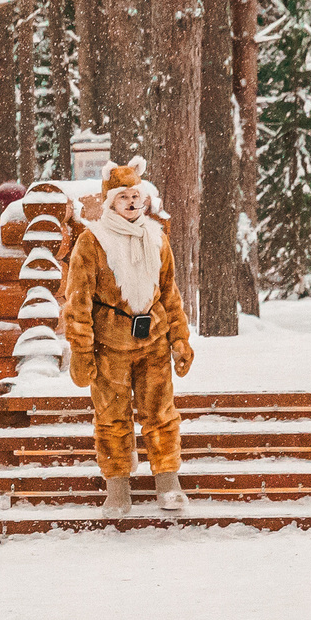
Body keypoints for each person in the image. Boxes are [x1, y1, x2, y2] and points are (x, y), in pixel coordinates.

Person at [62, 160, 194, 515]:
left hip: (153, 342)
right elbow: (77, 302)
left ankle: (168, 483)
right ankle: (117, 487)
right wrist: (81, 351)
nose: (132, 203)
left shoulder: (157, 238)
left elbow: (170, 294)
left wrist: (179, 338)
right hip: (110, 347)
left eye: (136, 196)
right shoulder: (92, 242)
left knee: (161, 413)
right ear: (110, 202)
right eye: (124, 197)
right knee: (111, 417)